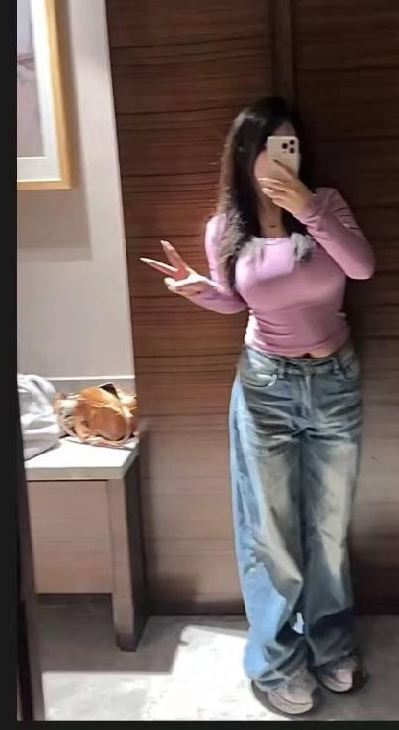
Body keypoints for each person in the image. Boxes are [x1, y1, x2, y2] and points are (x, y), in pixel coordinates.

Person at [141, 97, 375, 716]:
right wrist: (199, 290)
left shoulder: (326, 204)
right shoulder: (226, 228)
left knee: (328, 529)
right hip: (266, 387)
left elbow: (361, 267)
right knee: (269, 533)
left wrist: (307, 207)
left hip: (334, 382)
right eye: (269, 147)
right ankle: (275, 663)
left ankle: (331, 645)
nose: (280, 158)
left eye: (289, 145)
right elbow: (236, 301)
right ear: (244, 155)